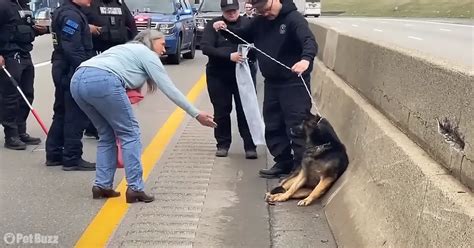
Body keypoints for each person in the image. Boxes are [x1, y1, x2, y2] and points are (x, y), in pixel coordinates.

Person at [70, 29, 216, 203]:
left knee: (106, 135)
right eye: (162, 44)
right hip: (104, 80)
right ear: (150, 41)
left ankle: (101, 186)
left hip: (77, 80)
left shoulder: (124, 49)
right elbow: (169, 88)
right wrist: (196, 113)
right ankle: (135, 188)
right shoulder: (146, 53)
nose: (164, 49)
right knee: (130, 134)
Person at [213, 0, 318, 178]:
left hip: (294, 84)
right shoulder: (260, 22)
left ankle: (301, 168)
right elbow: (242, 36)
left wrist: (305, 60)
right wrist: (224, 29)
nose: (265, 13)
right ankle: (283, 161)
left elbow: (309, 41)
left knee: (297, 126)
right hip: (272, 83)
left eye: (266, 9)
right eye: (259, 11)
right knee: (273, 125)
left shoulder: (294, 19)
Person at [201, 0, 258, 159]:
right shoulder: (214, 25)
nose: (231, 13)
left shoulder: (248, 24)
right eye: (228, 11)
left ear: (238, 9)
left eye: (234, 10)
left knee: (245, 110)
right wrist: (228, 56)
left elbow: (257, 45)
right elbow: (206, 47)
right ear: (222, 11)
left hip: (243, 74)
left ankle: (250, 145)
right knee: (221, 110)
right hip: (218, 74)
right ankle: (223, 144)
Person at [45, 0, 96, 171]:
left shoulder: (68, 11)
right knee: (75, 114)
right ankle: (72, 157)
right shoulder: (71, 15)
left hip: (63, 66)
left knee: (61, 111)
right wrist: (85, 68)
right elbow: (72, 47)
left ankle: (54, 154)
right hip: (71, 68)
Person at [81, 0, 138, 139]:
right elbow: (79, 24)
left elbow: (131, 24)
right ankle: (92, 126)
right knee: (97, 92)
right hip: (97, 52)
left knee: (114, 92)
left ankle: (110, 125)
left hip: (117, 53)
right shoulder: (89, 3)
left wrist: (135, 46)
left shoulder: (119, 3)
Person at [0, 0, 48, 150]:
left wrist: (38, 30)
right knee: (10, 96)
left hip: (25, 53)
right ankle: (11, 135)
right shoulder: (3, 5)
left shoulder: (24, 5)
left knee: (27, 94)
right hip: (9, 55)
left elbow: (24, 29)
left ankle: (21, 131)